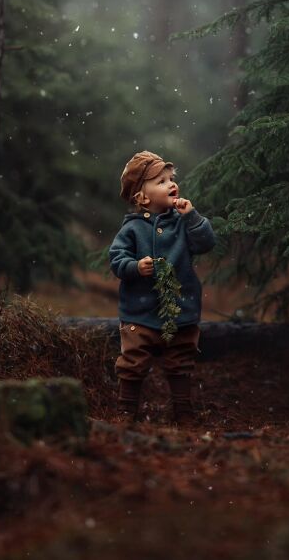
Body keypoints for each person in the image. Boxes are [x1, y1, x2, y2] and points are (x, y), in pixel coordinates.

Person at [109, 150, 216, 427]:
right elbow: (117, 259)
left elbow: (206, 243)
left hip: (179, 309)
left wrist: (192, 216)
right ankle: (125, 411)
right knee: (132, 363)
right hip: (140, 312)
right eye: (161, 181)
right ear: (142, 198)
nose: (171, 184)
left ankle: (183, 412)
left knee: (180, 362)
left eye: (171, 178)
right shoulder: (131, 230)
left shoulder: (183, 222)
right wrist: (135, 267)